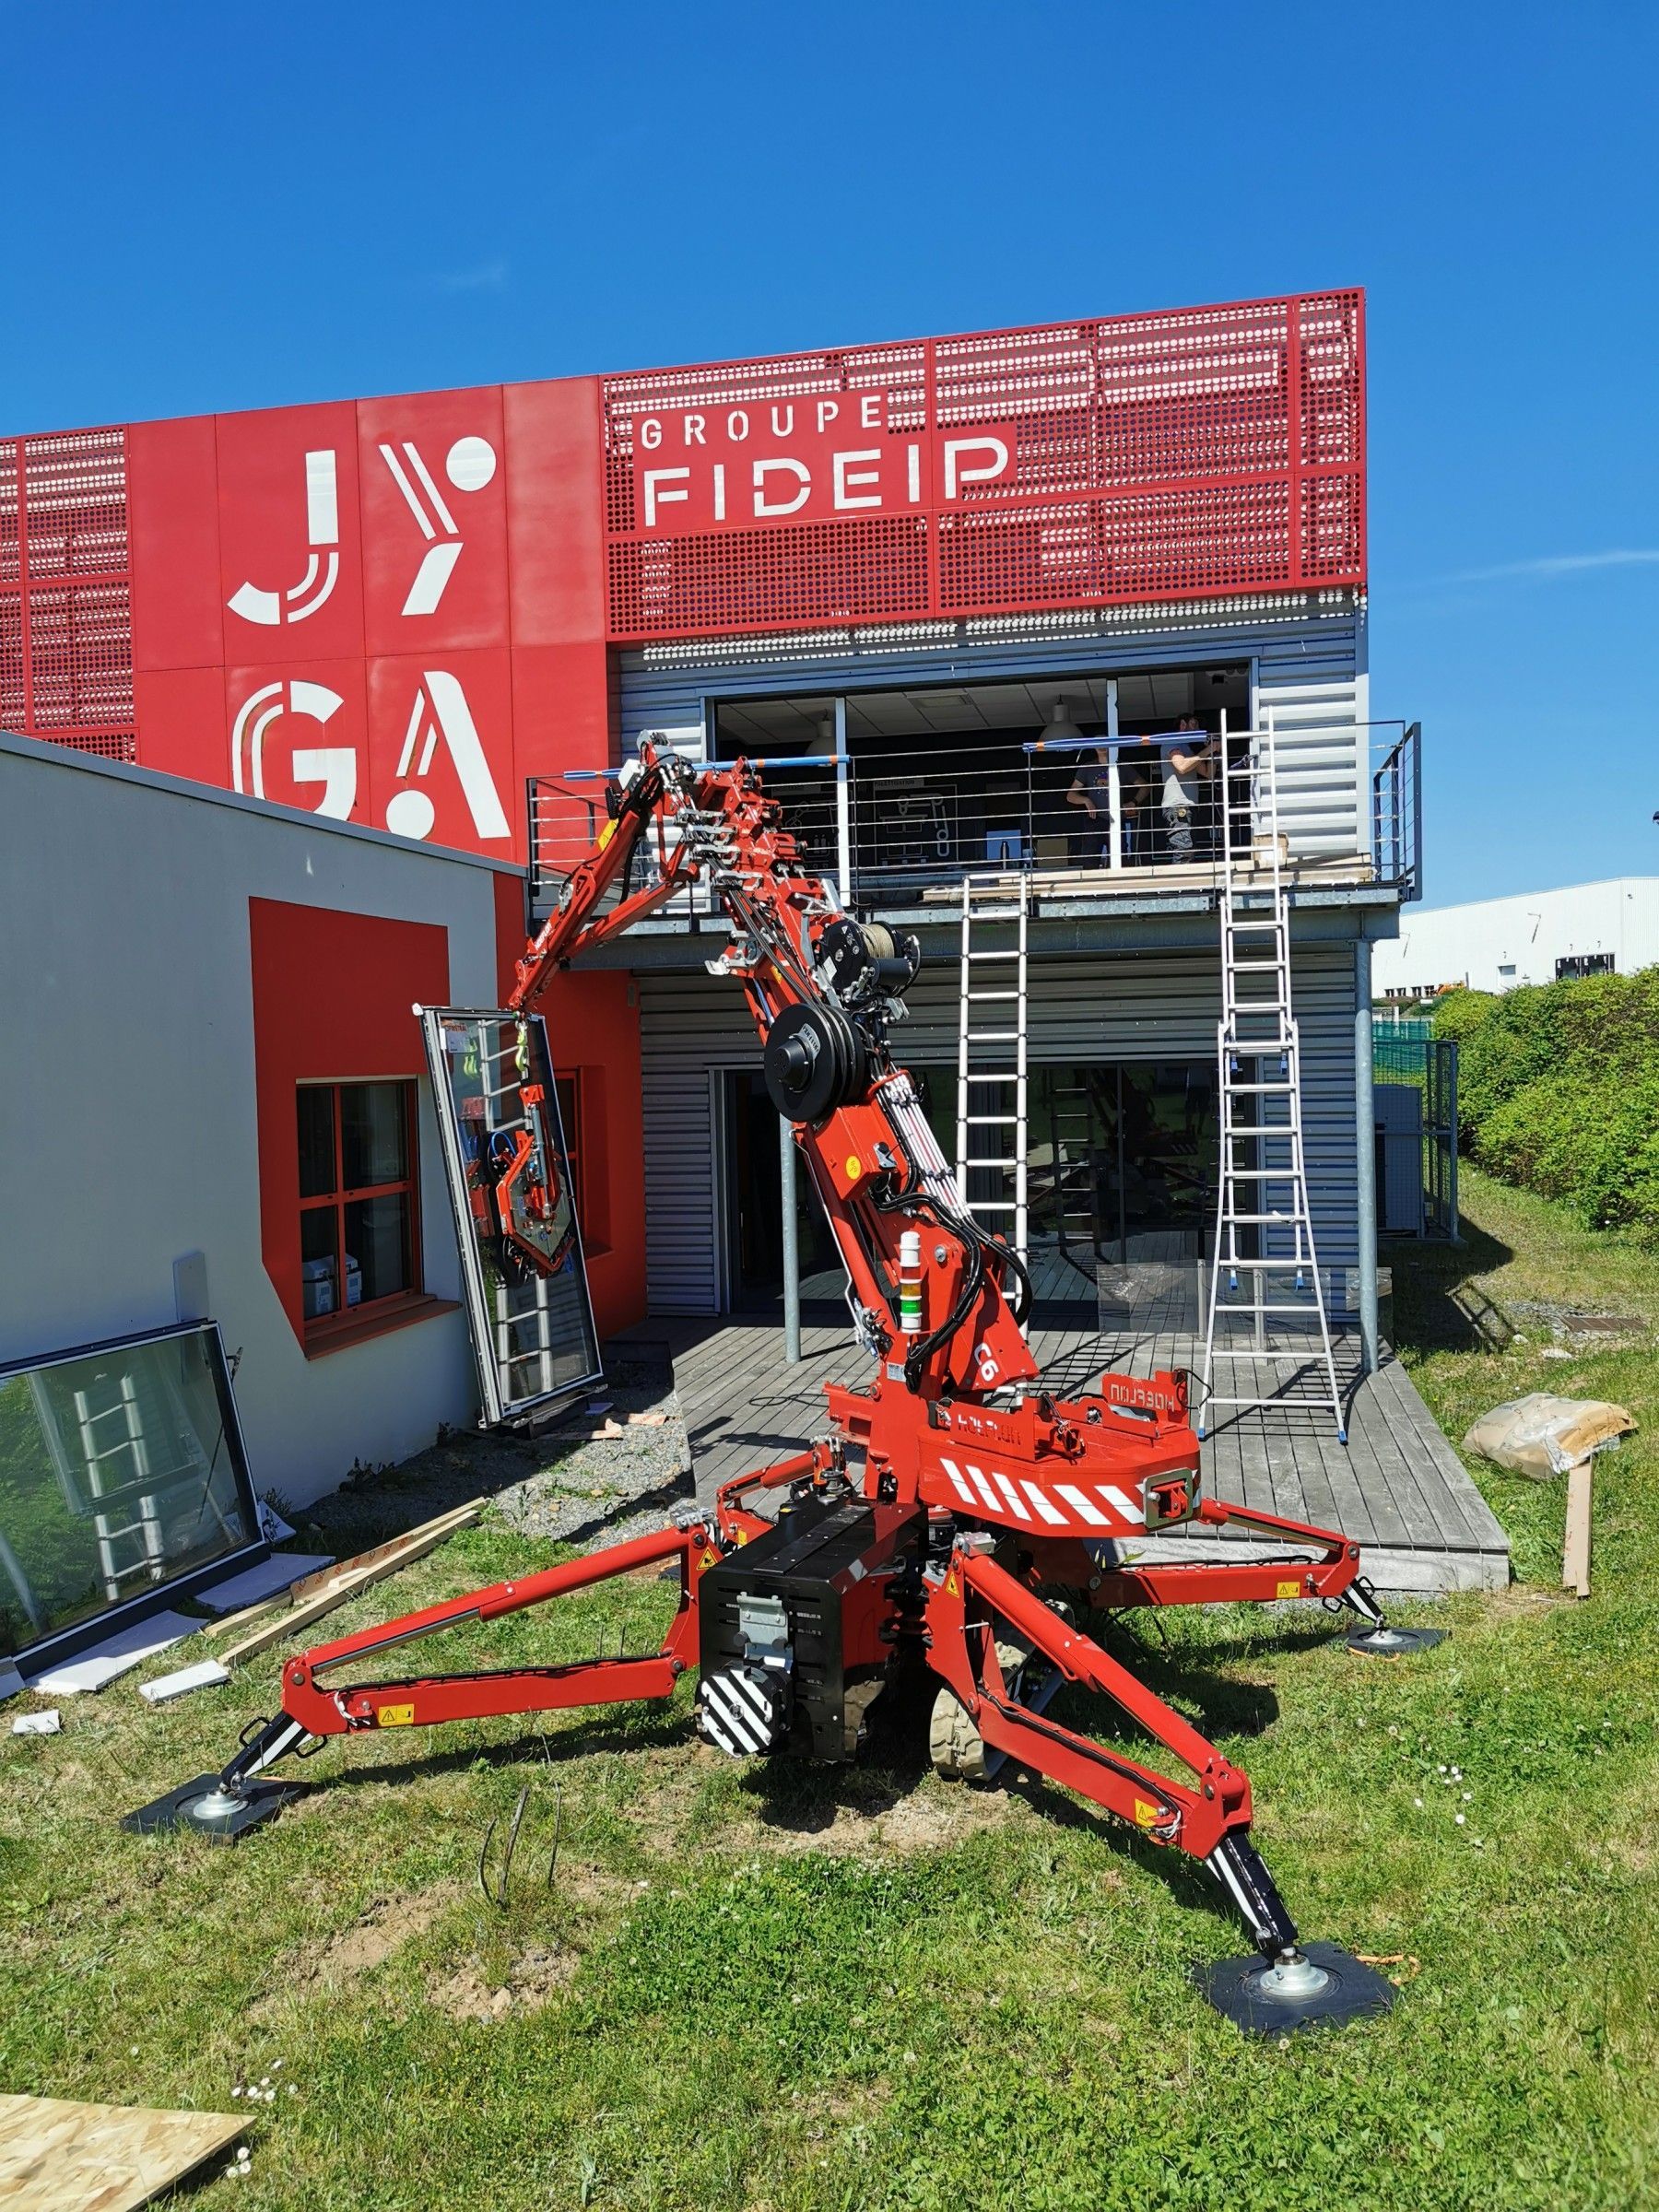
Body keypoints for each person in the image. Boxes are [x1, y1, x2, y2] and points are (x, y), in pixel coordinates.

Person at [1160, 716, 1215, 859]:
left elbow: (1208, 774)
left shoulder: (1188, 750)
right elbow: (1182, 766)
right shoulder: (1171, 741)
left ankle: (1180, 881)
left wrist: (1214, 752)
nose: (1197, 728)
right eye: (1194, 724)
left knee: (1188, 850)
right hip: (1178, 805)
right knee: (1183, 850)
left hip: (1189, 806)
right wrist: (1208, 749)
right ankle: (1177, 881)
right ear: (1183, 724)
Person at [1065, 745, 1114, 867]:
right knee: (1090, 861)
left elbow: (1144, 786)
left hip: (1116, 819)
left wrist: (1133, 802)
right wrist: (1086, 800)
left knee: (1119, 861)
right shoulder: (1088, 767)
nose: (1102, 746)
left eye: (1105, 742)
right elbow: (1070, 795)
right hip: (1095, 819)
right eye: (1098, 742)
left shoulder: (1121, 766)